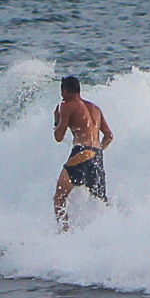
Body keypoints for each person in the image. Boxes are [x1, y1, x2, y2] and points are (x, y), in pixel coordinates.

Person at [52, 75, 112, 231]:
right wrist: (94, 152)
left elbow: (58, 137)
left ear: (66, 91)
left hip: (82, 152)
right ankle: (113, 228)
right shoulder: (95, 109)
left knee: (59, 197)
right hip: (97, 154)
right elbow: (109, 136)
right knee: (100, 201)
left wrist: (57, 120)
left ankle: (64, 232)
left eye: (62, 91)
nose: (61, 95)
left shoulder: (67, 105)